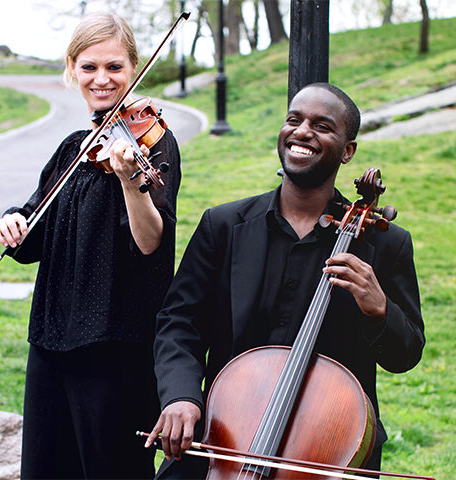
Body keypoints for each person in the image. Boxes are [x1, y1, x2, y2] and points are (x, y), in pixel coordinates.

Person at [146, 83, 424, 478]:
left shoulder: (383, 243)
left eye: (322, 125)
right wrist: (182, 396)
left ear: (348, 151)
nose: (302, 131)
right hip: (223, 439)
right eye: (294, 119)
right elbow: (179, 323)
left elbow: (406, 354)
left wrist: (380, 310)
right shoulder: (223, 226)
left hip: (325, 451)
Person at [0, 12, 181, 479]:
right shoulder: (73, 148)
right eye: (89, 67)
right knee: (46, 467)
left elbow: (151, 241)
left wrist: (129, 179)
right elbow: (36, 226)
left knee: (109, 468)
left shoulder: (153, 145)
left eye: (114, 67)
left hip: (116, 341)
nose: (102, 79)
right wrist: (12, 221)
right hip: (54, 336)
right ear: (72, 69)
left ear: (134, 68)